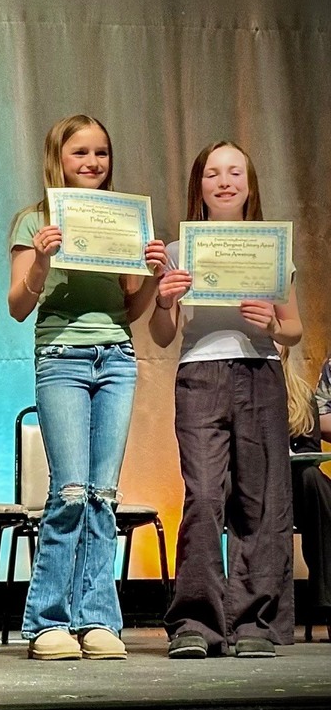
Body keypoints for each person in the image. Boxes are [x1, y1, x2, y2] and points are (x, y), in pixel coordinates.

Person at [7, 114, 166, 660]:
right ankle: (48, 621)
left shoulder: (122, 219)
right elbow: (18, 305)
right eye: (80, 152)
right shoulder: (35, 221)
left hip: (116, 357)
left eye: (101, 152)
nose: (93, 162)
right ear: (58, 158)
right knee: (70, 491)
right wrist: (42, 260)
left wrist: (151, 274)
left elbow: (132, 308)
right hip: (62, 357)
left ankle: (97, 619)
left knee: (103, 496)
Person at [150, 140, 302, 658]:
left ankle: (254, 622)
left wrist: (274, 325)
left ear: (249, 184)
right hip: (200, 374)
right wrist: (165, 301)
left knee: (260, 501)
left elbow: (294, 329)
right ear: (199, 186)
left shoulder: (271, 247)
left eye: (235, 171)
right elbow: (163, 334)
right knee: (203, 496)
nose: (224, 181)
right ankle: (196, 622)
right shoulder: (178, 250)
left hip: (260, 372)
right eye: (213, 173)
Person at [284, 348, 331, 620]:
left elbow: (309, 451)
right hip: (252, 485)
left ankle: (326, 600)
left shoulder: (301, 394)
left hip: (295, 488)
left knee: (312, 479)